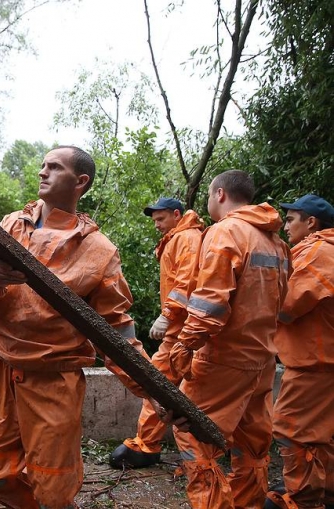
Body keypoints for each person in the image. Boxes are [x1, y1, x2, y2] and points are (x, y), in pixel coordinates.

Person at [0, 145, 152, 508]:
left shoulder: (98, 251)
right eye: (42, 165)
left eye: (54, 167)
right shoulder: (11, 225)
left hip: (53, 380)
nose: (42, 172)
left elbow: (116, 328)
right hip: (1, 369)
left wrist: (151, 387)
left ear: (80, 181)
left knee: (54, 485)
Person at [169, 170, 290, 509]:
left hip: (224, 358)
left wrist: (185, 344)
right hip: (262, 359)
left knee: (192, 434)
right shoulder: (277, 243)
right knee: (252, 443)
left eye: (209, 195)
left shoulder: (226, 232)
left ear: (219, 194)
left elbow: (211, 301)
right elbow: (281, 300)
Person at [110, 197, 204, 468]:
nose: (157, 225)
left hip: (183, 332)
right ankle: (150, 443)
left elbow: (187, 281)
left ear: (177, 215)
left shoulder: (187, 238)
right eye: (154, 221)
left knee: (158, 383)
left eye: (161, 219)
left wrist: (168, 315)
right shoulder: (179, 238)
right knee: (165, 384)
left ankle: (148, 445)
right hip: (184, 330)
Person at [264, 195, 334, 509]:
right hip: (321, 359)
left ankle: (303, 500)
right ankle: (325, 492)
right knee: (318, 433)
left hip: (313, 362)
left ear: (311, 222)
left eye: (291, 219)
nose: (286, 226)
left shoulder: (319, 252)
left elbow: (287, 306)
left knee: (290, 429)